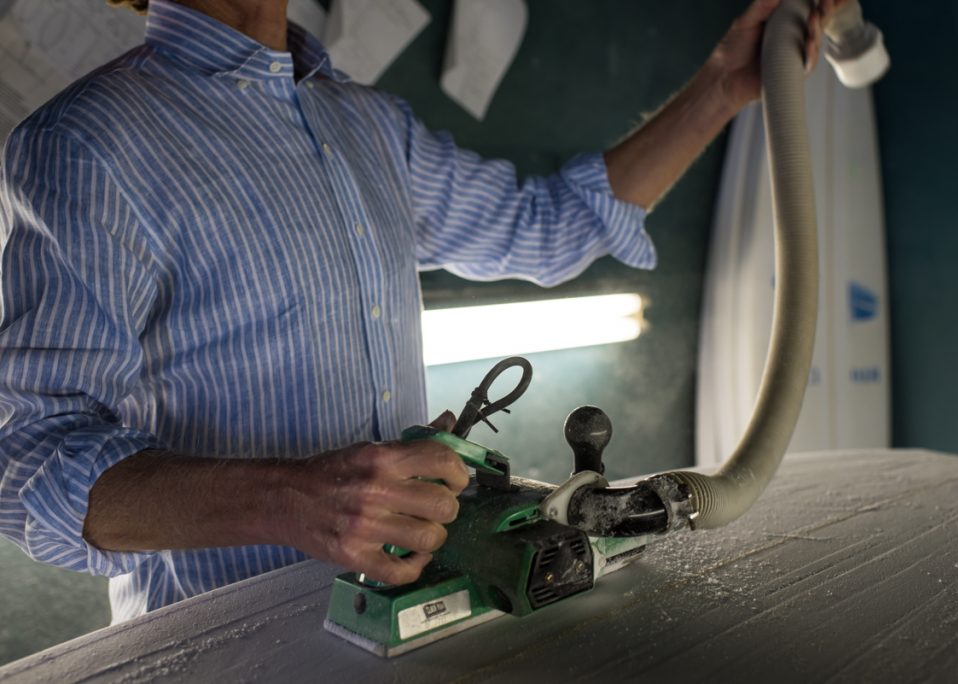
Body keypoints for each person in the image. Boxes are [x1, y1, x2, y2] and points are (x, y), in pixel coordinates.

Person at [0, 0, 830, 622]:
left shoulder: (363, 122)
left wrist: (724, 86)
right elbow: (25, 463)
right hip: (223, 647)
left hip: (401, 627)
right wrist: (289, 498)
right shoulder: (87, 144)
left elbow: (545, 228)